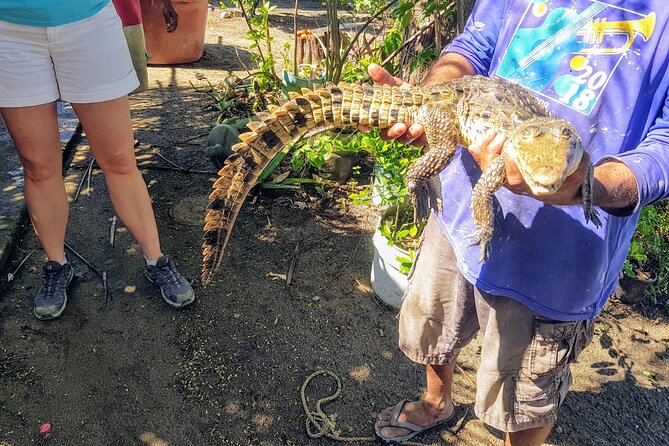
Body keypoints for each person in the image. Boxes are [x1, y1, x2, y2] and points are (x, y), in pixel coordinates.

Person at [368, 1, 669, 444]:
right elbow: (474, 45)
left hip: (564, 254)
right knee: (435, 322)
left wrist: (593, 186)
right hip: (458, 203)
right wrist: (429, 102)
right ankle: (437, 401)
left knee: (526, 392)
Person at [0, 0, 195, 321]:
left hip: (87, 22)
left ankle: (156, 260)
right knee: (37, 165)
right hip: (10, 30)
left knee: (119, 159)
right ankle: (57, 265)